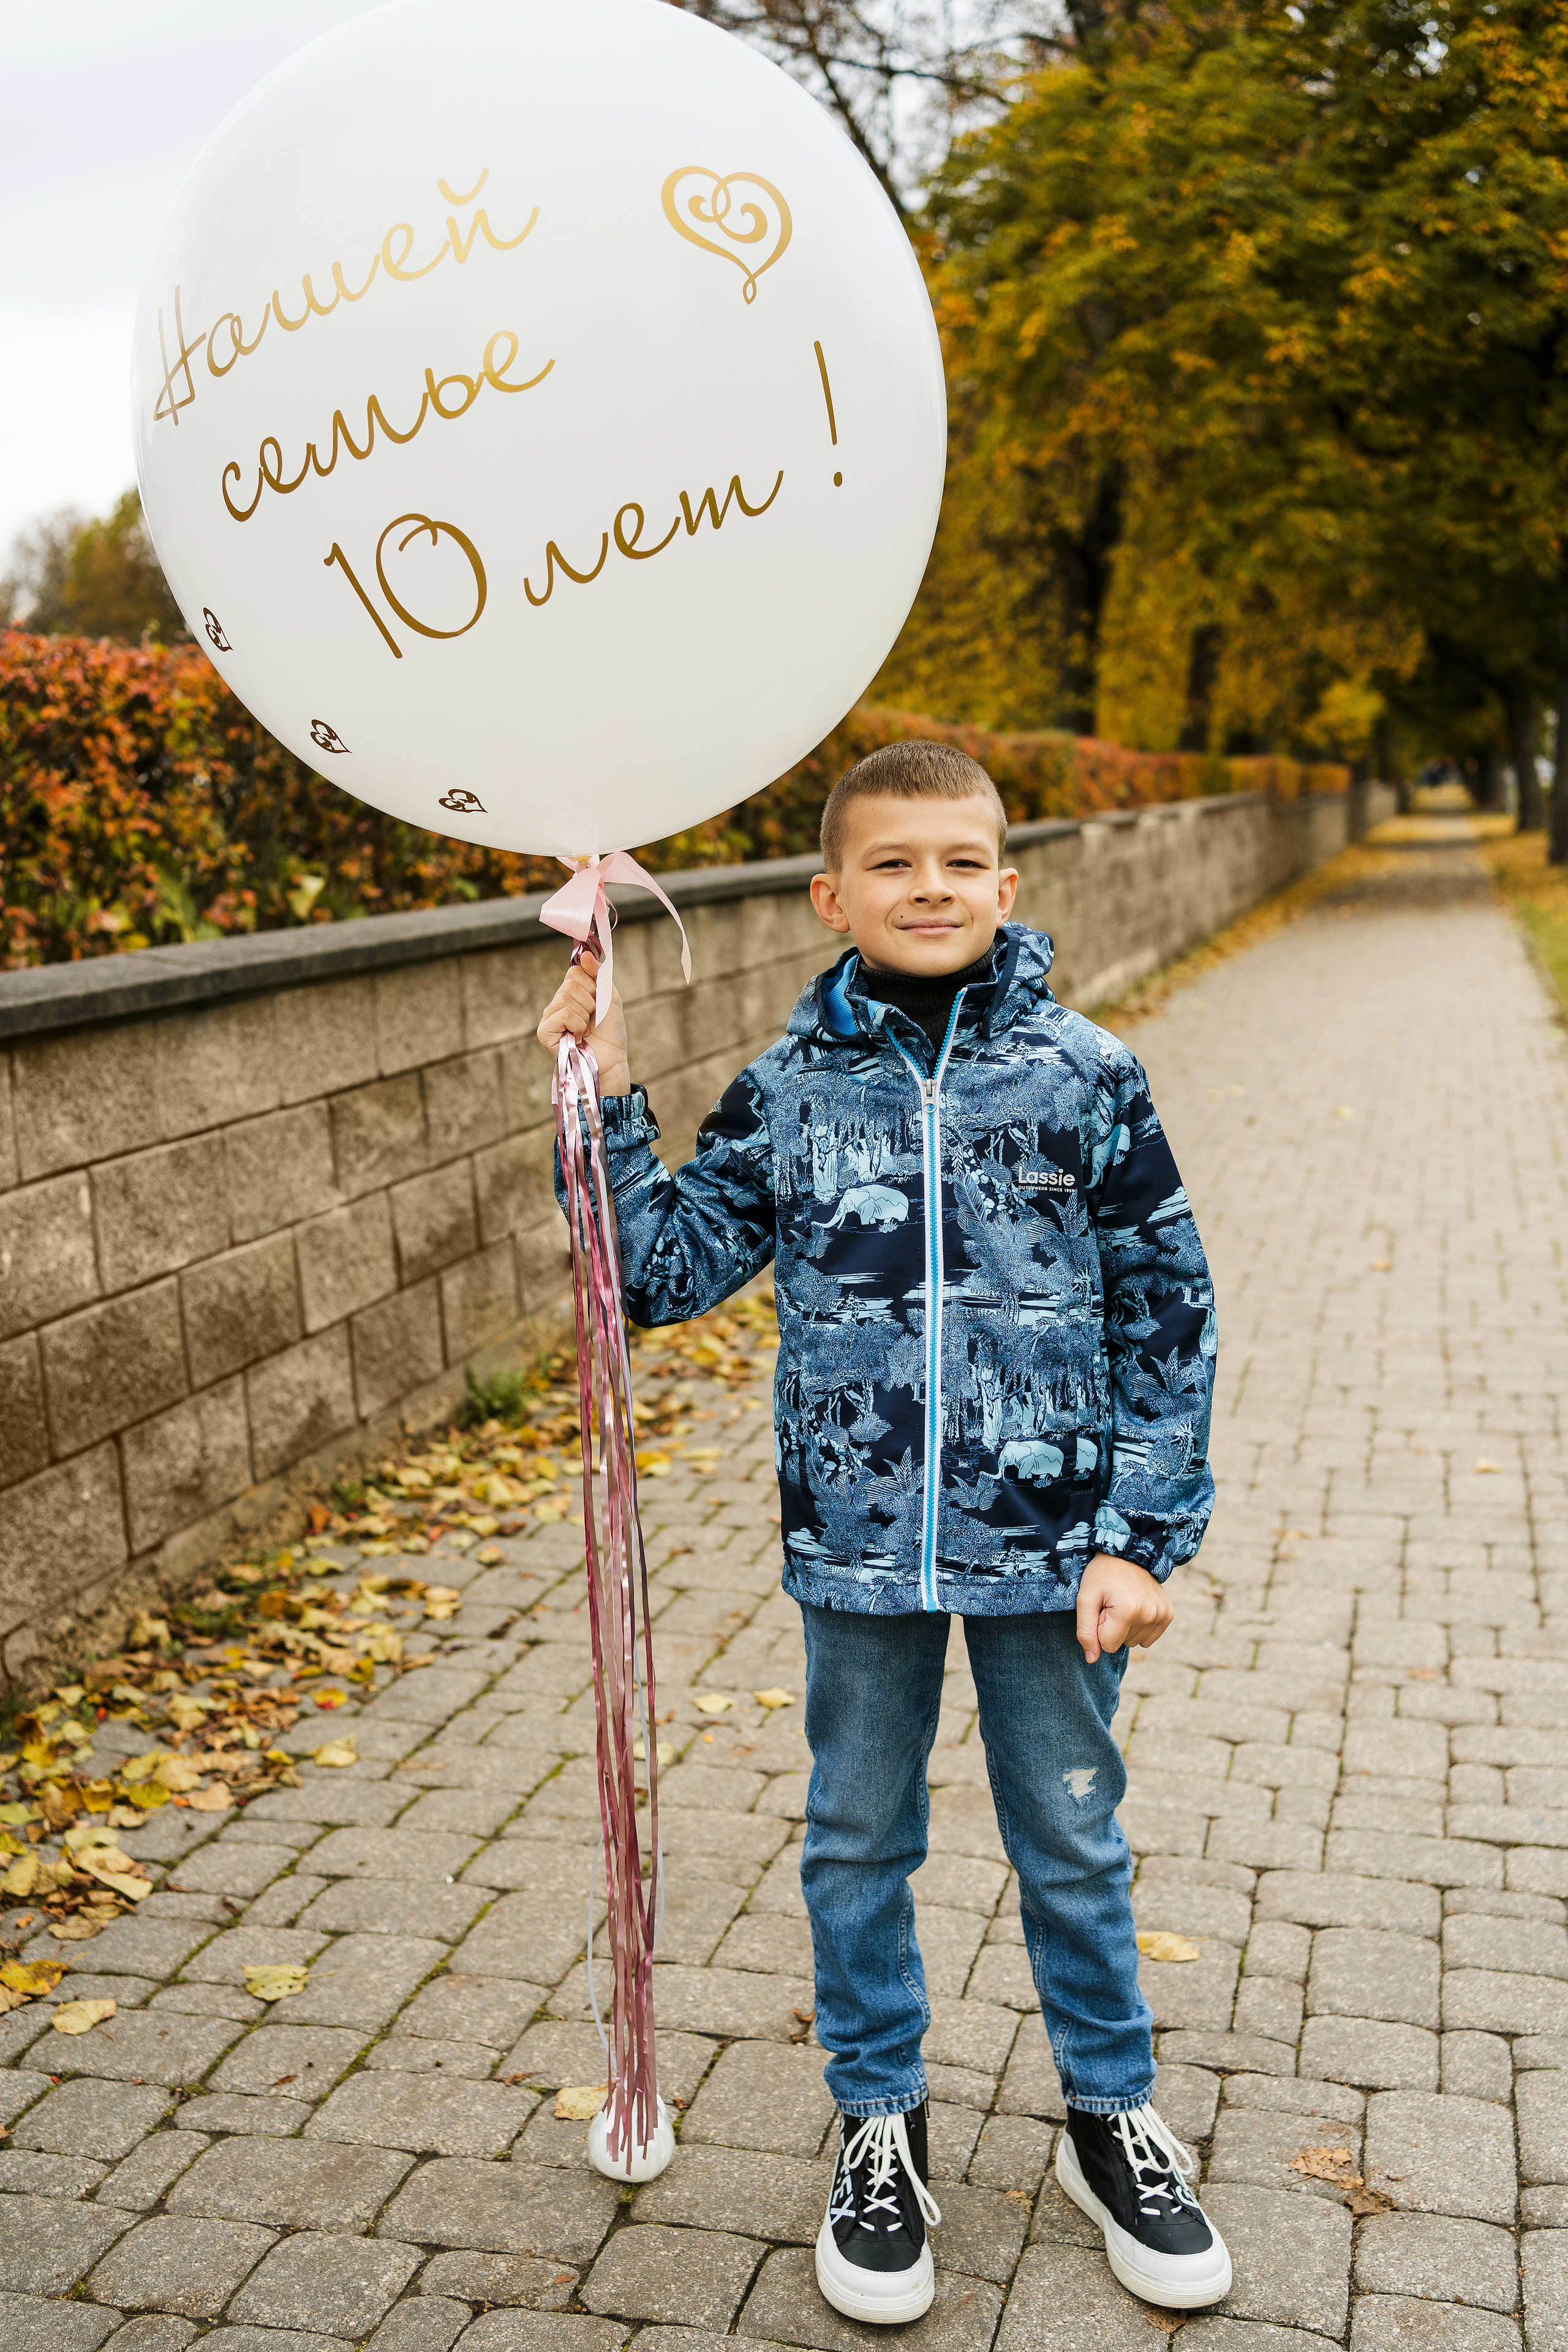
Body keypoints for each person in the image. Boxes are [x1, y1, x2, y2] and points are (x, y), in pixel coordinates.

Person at [537, 740, 1230, 2321]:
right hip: (858, 1555)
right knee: (859, 1837)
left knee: (1069, 1836)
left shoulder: (1085, 1073)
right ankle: (880, 2127)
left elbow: (1170, 1311)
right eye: (896, 864)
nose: (932, 889)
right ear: (830, 894)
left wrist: (1141, 1533)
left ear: (1008, 882)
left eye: (961, 862)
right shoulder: (790, 1089)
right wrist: (600, 1094)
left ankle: (1110, 2117)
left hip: (1054, 1556)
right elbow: (656, 1273)